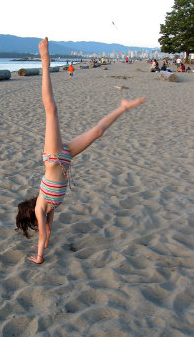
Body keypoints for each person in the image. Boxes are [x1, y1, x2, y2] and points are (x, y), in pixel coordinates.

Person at [15, 37, 145, 264]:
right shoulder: (48, 210)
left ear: (32, 218)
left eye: (35, 226)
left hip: (54, 157)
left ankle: (44, 62)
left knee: (51, 111)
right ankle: (122, 107)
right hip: (65, 159)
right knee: (97, 132)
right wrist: (44, 242)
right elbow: (48, 232)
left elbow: (44, 234)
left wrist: (39, 256)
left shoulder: (40, 208)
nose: (40, 226)